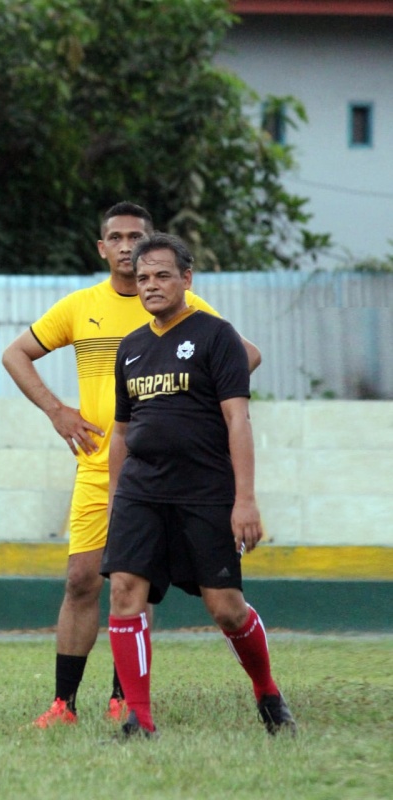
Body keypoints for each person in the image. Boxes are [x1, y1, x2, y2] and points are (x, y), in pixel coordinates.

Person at [2, 202, 262, 728]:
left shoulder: (181, 303)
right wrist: (57, 411)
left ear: (151, 245)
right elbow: (15, 354)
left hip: (164, 474)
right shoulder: (80, 306)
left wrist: (190, 408)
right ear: (102, 248)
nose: (126, 247)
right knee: (81, 579)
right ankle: (64, 704)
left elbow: (245, 355)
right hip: (98, 468)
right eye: (116, 238)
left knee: (137, 580)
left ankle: (125, 698)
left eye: (135, 237)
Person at [101, 231, 296, 738]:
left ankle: (267, 691)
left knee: (225, 608)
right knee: (124, 591)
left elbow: (237, 421)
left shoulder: (216, 336)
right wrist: (116, 498)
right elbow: (121, 432)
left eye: (162, 275)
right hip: (141, 491)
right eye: (143, 277)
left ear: (186, 279)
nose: (151, 285)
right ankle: (139, 718)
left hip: (204, 491)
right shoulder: (131, 348)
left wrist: (245, 500)